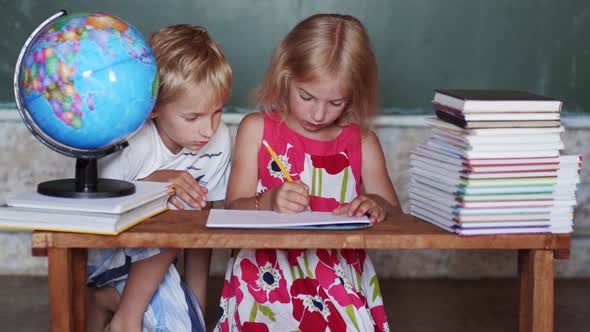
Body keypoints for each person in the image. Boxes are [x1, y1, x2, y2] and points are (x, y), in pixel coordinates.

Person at [214, 13, 400, 332]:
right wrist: (268, 201)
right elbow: (233, 207)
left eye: (335, 102)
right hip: (263, 277)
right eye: (307, 96)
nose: (318, 114)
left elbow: (397, 215)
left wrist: (376, 205)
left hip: (338, 278)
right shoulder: (256, 129)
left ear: (354, 94)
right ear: (286, 77)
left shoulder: (362, 142)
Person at [86, 24, 232, 332]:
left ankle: (109, 301)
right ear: (152, 109)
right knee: (177, 199)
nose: (208, 129)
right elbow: (95, 210)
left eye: (217, 112)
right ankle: (125, 315)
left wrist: (197, 311)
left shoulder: (218, 140)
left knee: (186, 327)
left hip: (155, 268)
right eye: (192, 117)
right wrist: (153, 183)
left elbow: (199, 235)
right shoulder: (132, 141)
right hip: (106, 254)